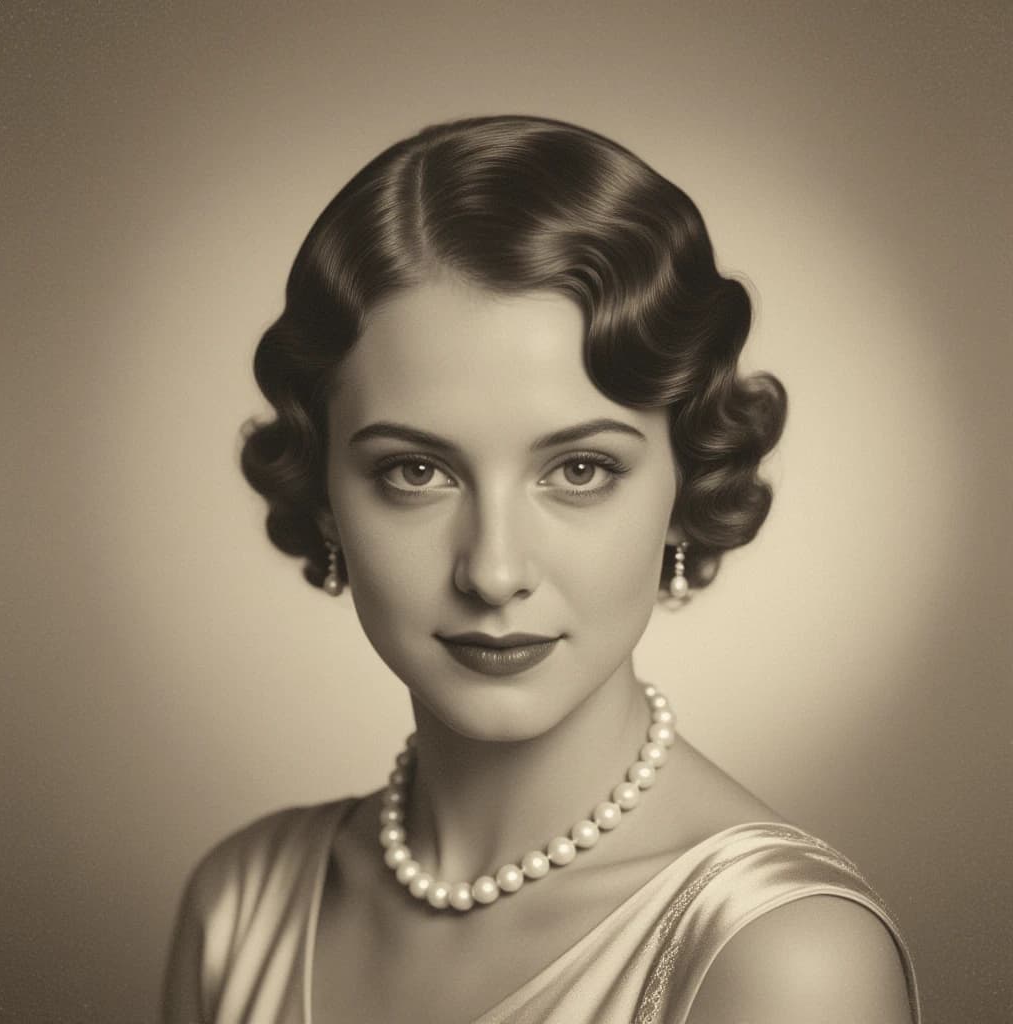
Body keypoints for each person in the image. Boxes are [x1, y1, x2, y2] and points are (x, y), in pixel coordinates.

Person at [162, 114, 921, 1023]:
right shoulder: (240, 907)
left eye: (579, 470)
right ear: (326, 498)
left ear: (684, 484)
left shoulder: (784, 963)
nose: (493, 570)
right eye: (416, 471)